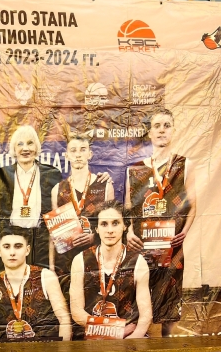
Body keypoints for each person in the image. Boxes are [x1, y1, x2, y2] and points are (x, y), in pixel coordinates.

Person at [0, 125, 110, 274]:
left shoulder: (51, 174)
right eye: (20, 144)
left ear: (37, 147)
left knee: (40, 282)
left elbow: (64, 198)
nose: (25, 148)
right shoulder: (2, 174)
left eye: (30, 143)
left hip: (42, 242)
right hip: (13, 240)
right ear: (14, 148)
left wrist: (104, 178)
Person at [125, 108, 196, 337]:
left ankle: (168, 349)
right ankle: (139, 349)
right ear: (150, 132)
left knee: (170, 301)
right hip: (142, 246)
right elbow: (128, 208)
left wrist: (185, 231)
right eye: (157, 126)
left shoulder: (185, 164)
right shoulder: (135, 169)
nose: (162, 130)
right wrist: (128, 232)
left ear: (173, 130)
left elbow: (193, 204)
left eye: (167, 125)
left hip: (171, 247)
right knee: (138, 298)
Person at [70, 200, 153, 339]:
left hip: (128, 336)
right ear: (96, 228)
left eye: (115, 223)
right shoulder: (80, 260)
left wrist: (132, 339)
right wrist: (117, 331)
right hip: (93, 334)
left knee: (152, 351)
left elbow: (146, 315)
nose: (110, 230)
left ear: (125, 226)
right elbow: (77, 313)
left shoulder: (138, 262)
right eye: (104, 224)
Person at [0, 227, 72, 342]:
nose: (12, 253)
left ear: (27, 250)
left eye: (18, 246)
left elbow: (64, 320)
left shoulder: (45, 277)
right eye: (6, 247)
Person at [50, 133, 114, 275]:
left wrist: (94, 237)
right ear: (66, 155)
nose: (78, 155)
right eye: (73, 150)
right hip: (66, 261)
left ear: (90, 154)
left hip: (98, 258)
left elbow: (114, 225)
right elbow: (54, 235)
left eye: (83, 149)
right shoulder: (57, 190)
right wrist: (51, 266)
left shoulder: (105, 185)